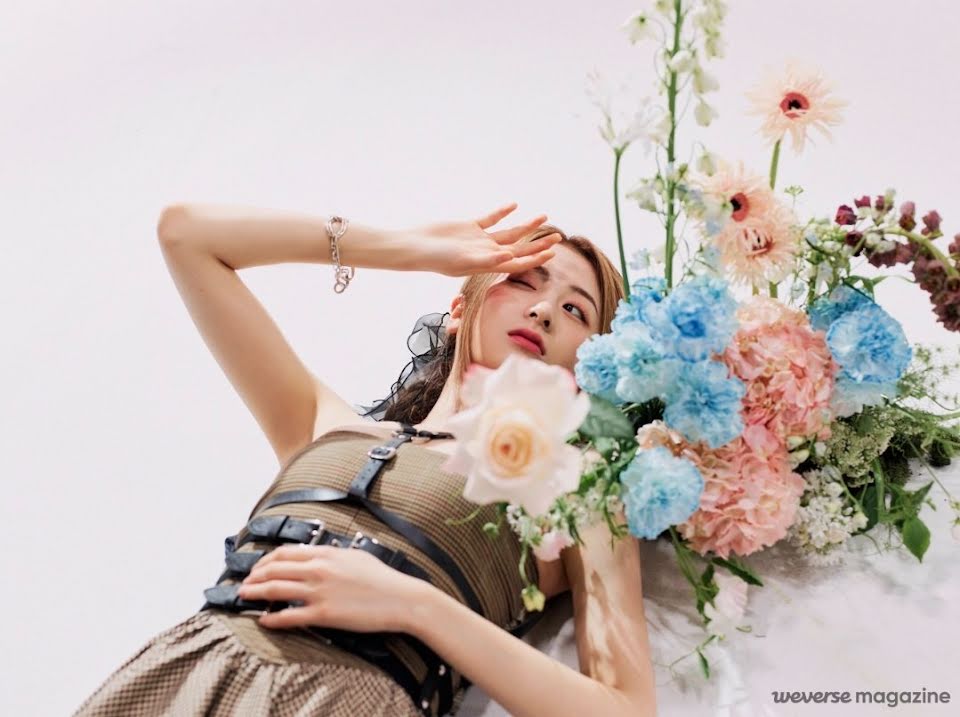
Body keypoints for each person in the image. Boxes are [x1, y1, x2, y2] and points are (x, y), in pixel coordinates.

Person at [74, 203, 658, 716]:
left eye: (576, 311)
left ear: (589, 366)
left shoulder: (575, 488)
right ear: (460, 308)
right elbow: (187, 233)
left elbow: (624, 708)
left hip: (355, 699)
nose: (545, 310)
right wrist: (412, 247)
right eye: (523, 281)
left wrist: (416, 605)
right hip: (191, 671)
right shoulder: (326, 424)